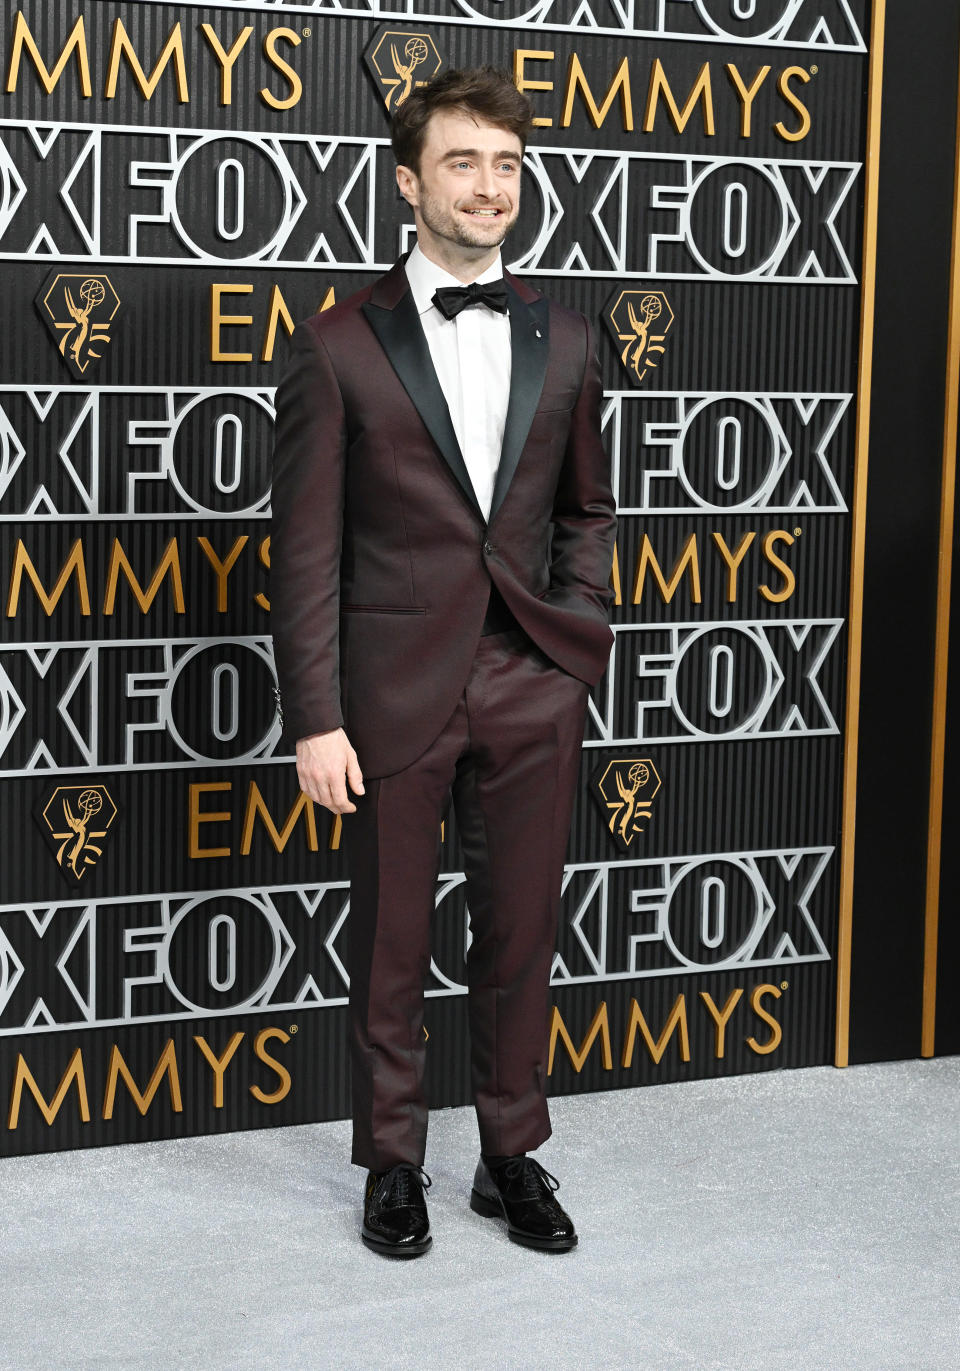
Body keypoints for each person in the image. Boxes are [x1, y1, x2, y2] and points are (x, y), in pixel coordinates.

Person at [270, 66, 617, 1258]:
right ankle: (393, 1163)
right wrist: (317, 717)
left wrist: (571, 651)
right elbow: (305, 548)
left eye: (507, 164)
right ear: (409, 180)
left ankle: (510, 1156)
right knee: (391, 942)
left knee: (521, 933)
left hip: (532, 684)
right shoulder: (336, 346)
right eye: (464, 162)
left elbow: (586, 513)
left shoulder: (567, 337)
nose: (490, 186)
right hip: (386, 697)